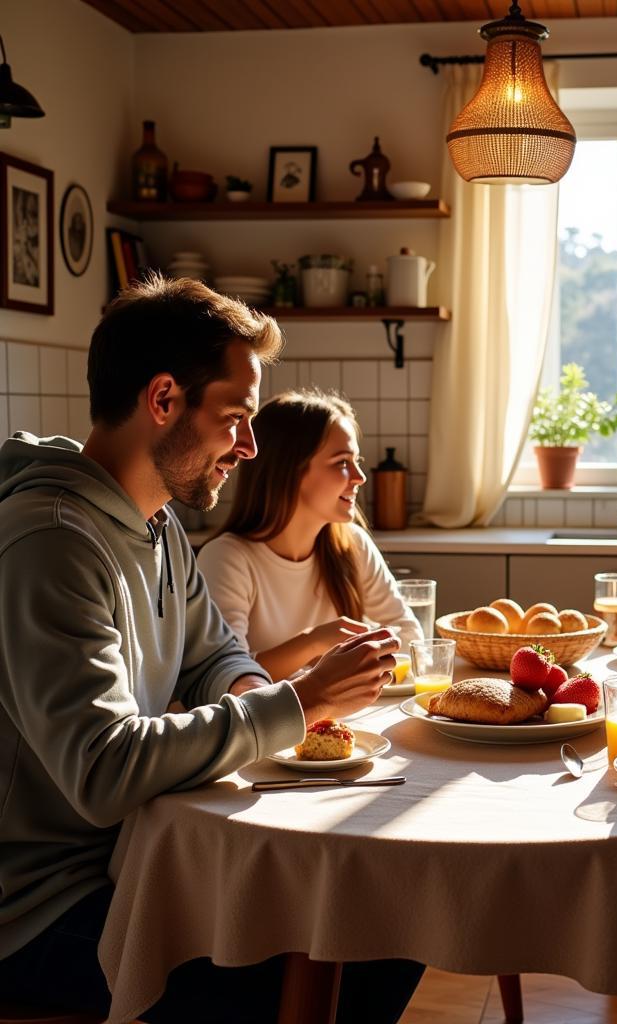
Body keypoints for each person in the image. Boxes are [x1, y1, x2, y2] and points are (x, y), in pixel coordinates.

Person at [0, 277, 423, 1023]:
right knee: (323, 966)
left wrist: (257, 695)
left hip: (138, 859)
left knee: (391, 914)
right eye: (236, 418)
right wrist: (300, 702)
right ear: (163, 400)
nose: (250, 447)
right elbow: (101, 769)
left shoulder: (157, 523)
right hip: (40, 909)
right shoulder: (54, 543)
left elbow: (214, 655)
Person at [197, 389, 421, 681]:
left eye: (356, 460)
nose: (360, 477)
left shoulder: (353, 544)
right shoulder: (226, 558)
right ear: (289, 471)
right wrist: (312, 641)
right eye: (342, 462)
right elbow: (224, 678)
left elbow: (409, 635)